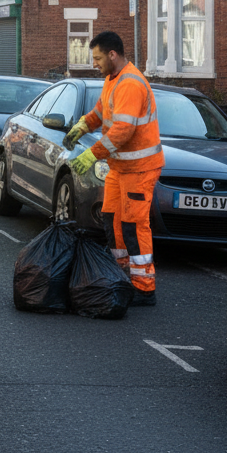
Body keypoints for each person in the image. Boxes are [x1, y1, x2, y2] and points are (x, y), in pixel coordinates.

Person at [63, 31, 163, 306]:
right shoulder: (112, 80)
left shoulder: (130, 84)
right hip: (121, 167)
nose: (94, 63)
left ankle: (144, 286)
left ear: (112, 55)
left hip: (139, 168)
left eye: (97, 58)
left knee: (133, 225)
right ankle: (122, 275)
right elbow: (100, 113)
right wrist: (83, 125)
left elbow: (123, 130)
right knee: (111, 220)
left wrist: (90, 155)